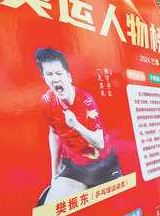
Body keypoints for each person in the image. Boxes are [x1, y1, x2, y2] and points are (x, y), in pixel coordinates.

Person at [37, 47, 121, 204]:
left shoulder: (86, 101)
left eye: (58, 73)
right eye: (49, 74)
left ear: (68, 76)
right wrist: (55, 170)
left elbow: (100, 142)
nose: (55, 79)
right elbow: (54, 132)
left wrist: (76, 125)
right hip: (76, 167)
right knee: (51, 208)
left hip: (104, 164)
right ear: (44, 78)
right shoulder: (46, 102)